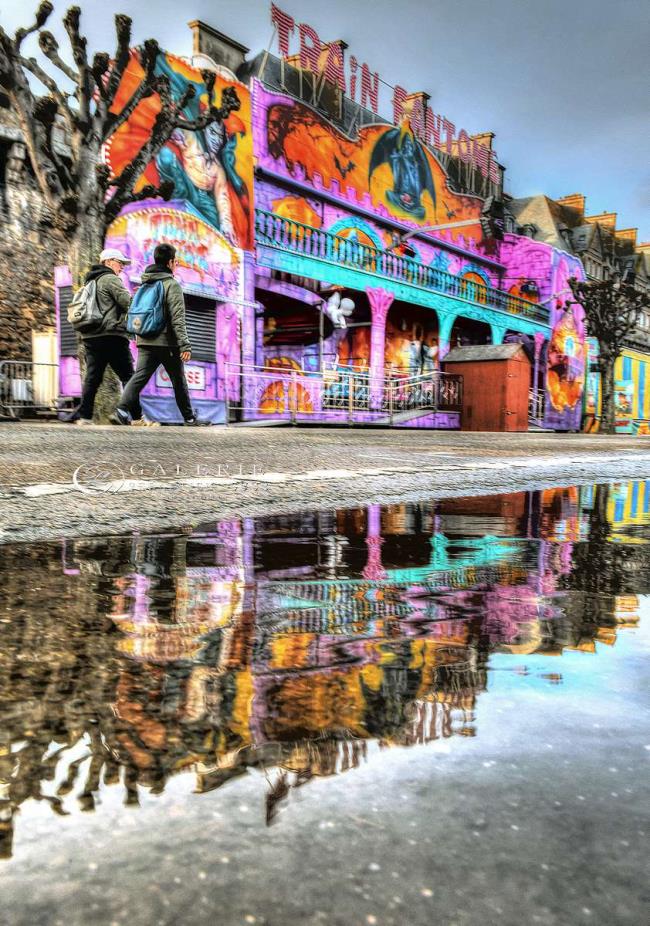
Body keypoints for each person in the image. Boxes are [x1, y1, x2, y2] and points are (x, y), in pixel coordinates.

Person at [112, 243, 209, 426]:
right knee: (179, 380)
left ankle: (121, 408)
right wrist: (185, 344)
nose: (177, 264)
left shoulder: (144, 283)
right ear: (170, 262)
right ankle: (189, 418)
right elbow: (177, 318)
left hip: (144, 338)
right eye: (176, 261)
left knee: (139, 376)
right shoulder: (171, 285)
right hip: (166, 342)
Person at [71, 248, 152, 425]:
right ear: (108, 262)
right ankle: (137, 418)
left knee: (93, 377)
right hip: (112, 335)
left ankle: (85, 417)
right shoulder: (110, 279)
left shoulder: (90, 281)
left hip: (91, 335)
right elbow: (128, 304)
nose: (122, 266)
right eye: (119, 262)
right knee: (129, 377)